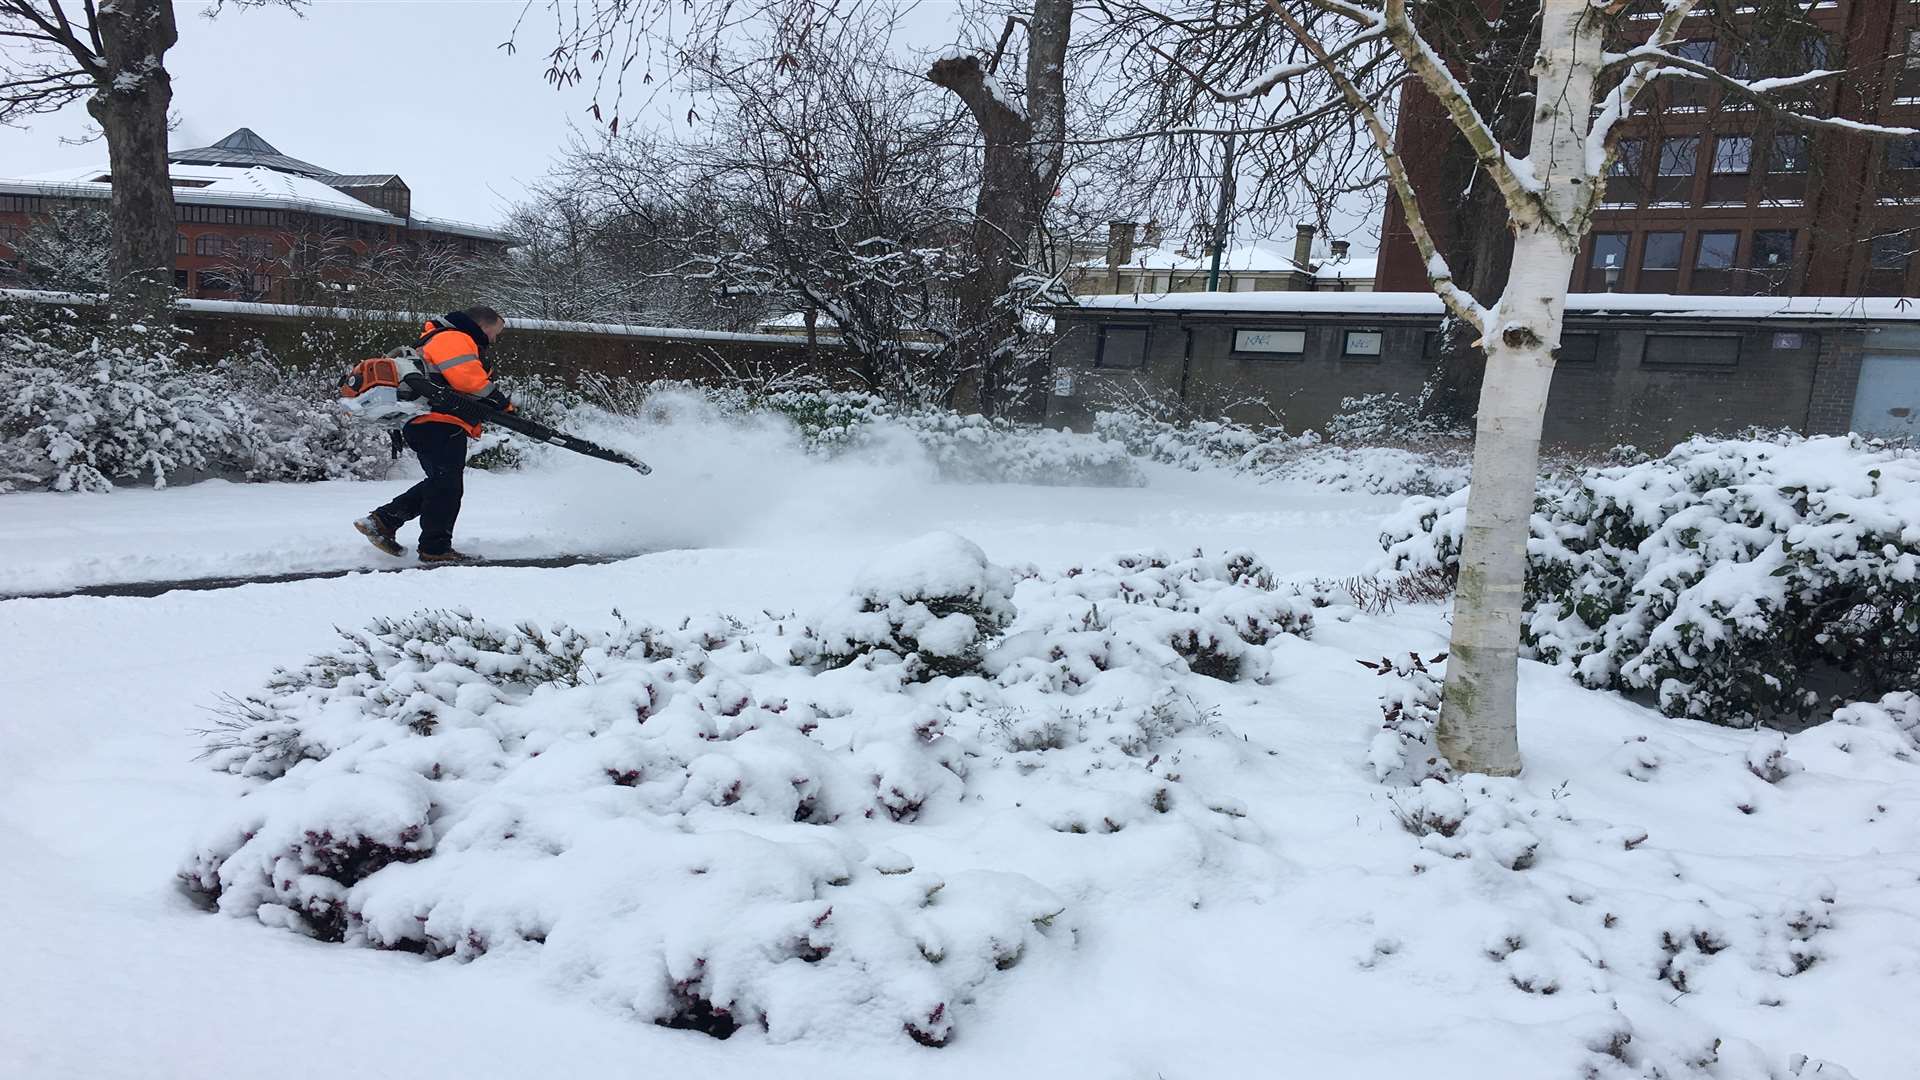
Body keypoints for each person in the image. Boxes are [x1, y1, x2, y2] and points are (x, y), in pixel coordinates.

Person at [354, 306, 511, 563]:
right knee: (447, 486)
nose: (494, 340)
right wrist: (502, 403)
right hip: (438, 421)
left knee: (442, 482)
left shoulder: (441, 338)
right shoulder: (454, 337)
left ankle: (383, 521)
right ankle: (434, 549)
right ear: (483, 325)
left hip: (431, 421)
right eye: (495, 333)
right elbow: (467, 379)